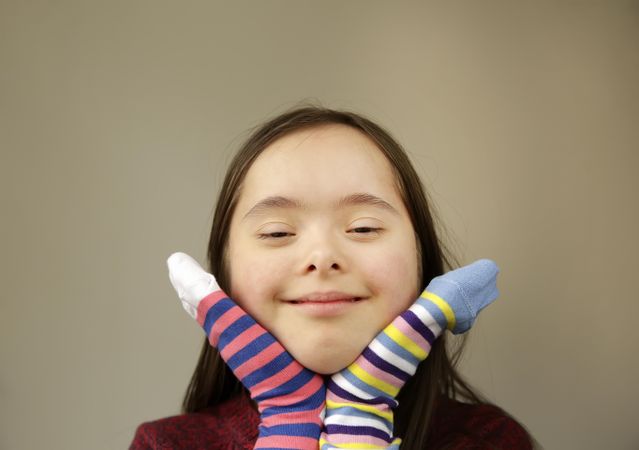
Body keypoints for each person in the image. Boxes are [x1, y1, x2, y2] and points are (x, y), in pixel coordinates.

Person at [130, 106, 535, 449]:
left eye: (362, 228)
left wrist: (362, 412)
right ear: (223, 274)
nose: (322, 258)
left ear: (421, 258)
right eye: (277, 232)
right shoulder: (166, 445)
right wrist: (287, 414)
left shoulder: (490, 441)